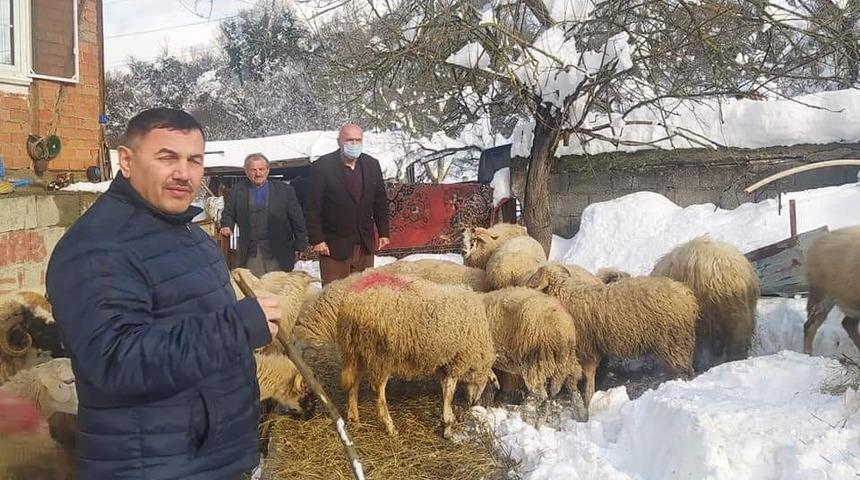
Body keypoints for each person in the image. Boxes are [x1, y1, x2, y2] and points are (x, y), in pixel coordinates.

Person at [45, 108, 282, 480]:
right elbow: (115, 360)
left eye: (194, 160)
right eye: (167, 157)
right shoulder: (98, 248)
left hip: (209, 456)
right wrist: (236, 327)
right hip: (155, 464)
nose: (183, 173)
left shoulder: (187, 233)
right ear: (126, 160)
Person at [304, 123, 390, 285]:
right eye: (349, 140)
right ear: (339, 142)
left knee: (362, 294)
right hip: (333, 245)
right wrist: (317, 240)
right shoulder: (322, 166)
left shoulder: (372, 165)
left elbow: (380, 201)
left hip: (364, 242)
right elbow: (312, 207)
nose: (354, 144)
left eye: (358, 140)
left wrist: (384, 232)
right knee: (334, 296)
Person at [220, 153, 308, 275]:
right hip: (251, 251)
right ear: (246, 171)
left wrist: (300, 244)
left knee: (278, 289)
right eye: (253, 170)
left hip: (278, 251)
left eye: (261, 169)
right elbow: (228, 212)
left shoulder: (284, 190)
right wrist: (226, 225)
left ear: (267, 170)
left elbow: (297, 219)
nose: (258, 173)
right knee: (255, 288)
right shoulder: (237, 190)